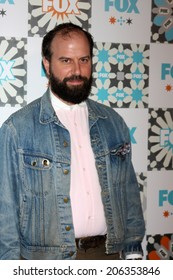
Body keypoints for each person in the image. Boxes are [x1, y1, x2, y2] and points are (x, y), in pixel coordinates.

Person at [0, 23, 145, 260]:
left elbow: (128, 193)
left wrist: (132, 252)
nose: (77, 70)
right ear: (47, 64)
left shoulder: (113, 123)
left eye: (84, 60)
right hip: (45, 262)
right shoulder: (18, 129)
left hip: (106, 255)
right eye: (66, 60)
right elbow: (4, 210)